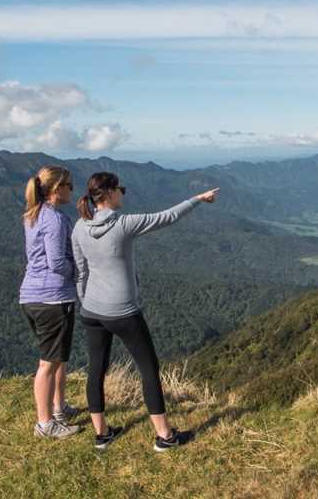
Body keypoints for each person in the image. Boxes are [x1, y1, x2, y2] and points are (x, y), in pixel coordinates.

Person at [71, 172, 219, 451]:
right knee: (149, 369)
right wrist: (197, 199)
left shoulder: (80, 226)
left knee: (96, 370)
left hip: (91, 310)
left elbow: (80, 271)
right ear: (111, 193)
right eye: (122, 189)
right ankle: (165, 437)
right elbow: (167, 217)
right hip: (124, 310)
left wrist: (85, 302)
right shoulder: (124, 224)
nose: (124, 193)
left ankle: (102, 435)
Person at [20, 165, 82, 439]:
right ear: (57, 189)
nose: (72, 189)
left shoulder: (33, 214)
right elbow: (57, 262)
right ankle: (45, 424)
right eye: (69, 185)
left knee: (57, 358)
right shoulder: (55, 220)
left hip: (32, 295)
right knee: (48, 363)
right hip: (53, 297)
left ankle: (59, 409)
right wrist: (78, 272)